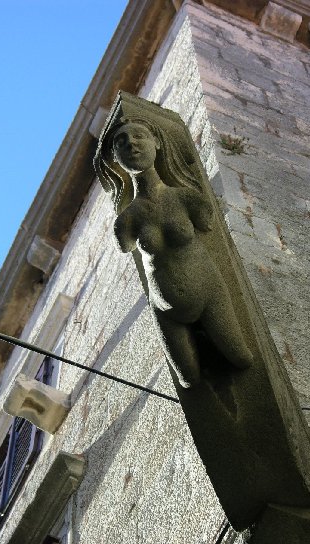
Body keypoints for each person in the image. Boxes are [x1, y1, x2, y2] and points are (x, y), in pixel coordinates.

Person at [99, 118, 252, 388]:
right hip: (165, 309)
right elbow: (125, 245)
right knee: (188, 381)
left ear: (157, 143)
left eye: (139, 136)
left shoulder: (185, 198)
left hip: (209, 293)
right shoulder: (126, 222)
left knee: (242, 359)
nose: (131, 144)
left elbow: (206, 222)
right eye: (121, 143)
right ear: (116, 159)